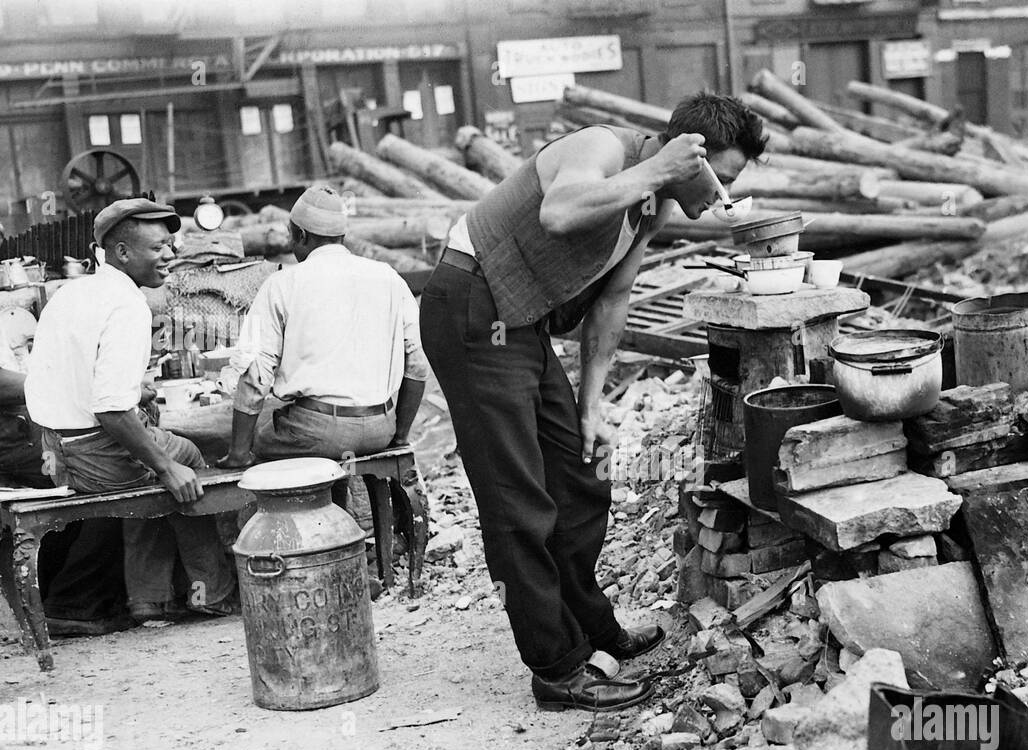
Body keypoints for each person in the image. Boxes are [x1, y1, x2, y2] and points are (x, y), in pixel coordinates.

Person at [420, 93, 766, 712]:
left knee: (581, 479)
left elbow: (612, 301)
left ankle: (591, 629)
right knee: (517, 499)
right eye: (724, 179)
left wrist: (590, 405)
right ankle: (556, 668)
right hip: (470, 303)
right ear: (691, 155)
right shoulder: (604, 149)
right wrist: (657, 172)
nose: (722, 198)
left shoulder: (652, 204)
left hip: (517, 321)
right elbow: (558, 211)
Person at [24, 198, 239, 623]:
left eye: (171, 245)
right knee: (187, 461)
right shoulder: (127, 306)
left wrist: (135, 401)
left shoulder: (74, 292)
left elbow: (63, 380)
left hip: (53, 449)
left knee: (155, 446)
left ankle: (149, 597)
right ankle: (211, 592)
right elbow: (110, 411)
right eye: (158, 247)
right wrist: (166, 468)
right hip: (93, 455)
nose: (170, 255)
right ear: (122, 252)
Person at [217, 186, 429, 472]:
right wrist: (399, 436)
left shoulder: (282, 284)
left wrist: (239, 452)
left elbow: (254, 372)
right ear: (341, 237)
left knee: (252, 444)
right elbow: (417, 363)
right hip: (381, 428)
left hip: (315, 433)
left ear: (301, 235)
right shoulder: (389, 277)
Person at [1, 340, 128, 637]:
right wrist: (72, 387)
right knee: (109, 468)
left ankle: (57, 594)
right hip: (13, 437)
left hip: (20, 428)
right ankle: (75, 602)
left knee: (91, 463)